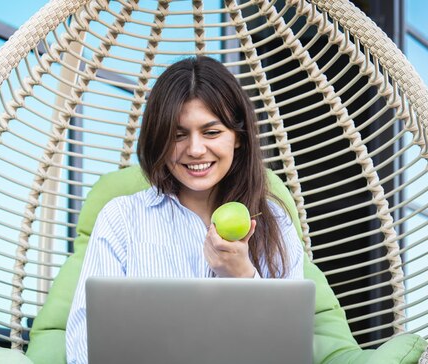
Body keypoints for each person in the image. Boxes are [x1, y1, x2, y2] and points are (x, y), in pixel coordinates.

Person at [65, 56, 304, 364]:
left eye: (212, 132)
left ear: (239, 138)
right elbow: (83, 345)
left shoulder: (276, 224)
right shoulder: (121, 219)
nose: (194, 149)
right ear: (159, 141)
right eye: (178, 135)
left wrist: (243, 277)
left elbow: (288, 352)